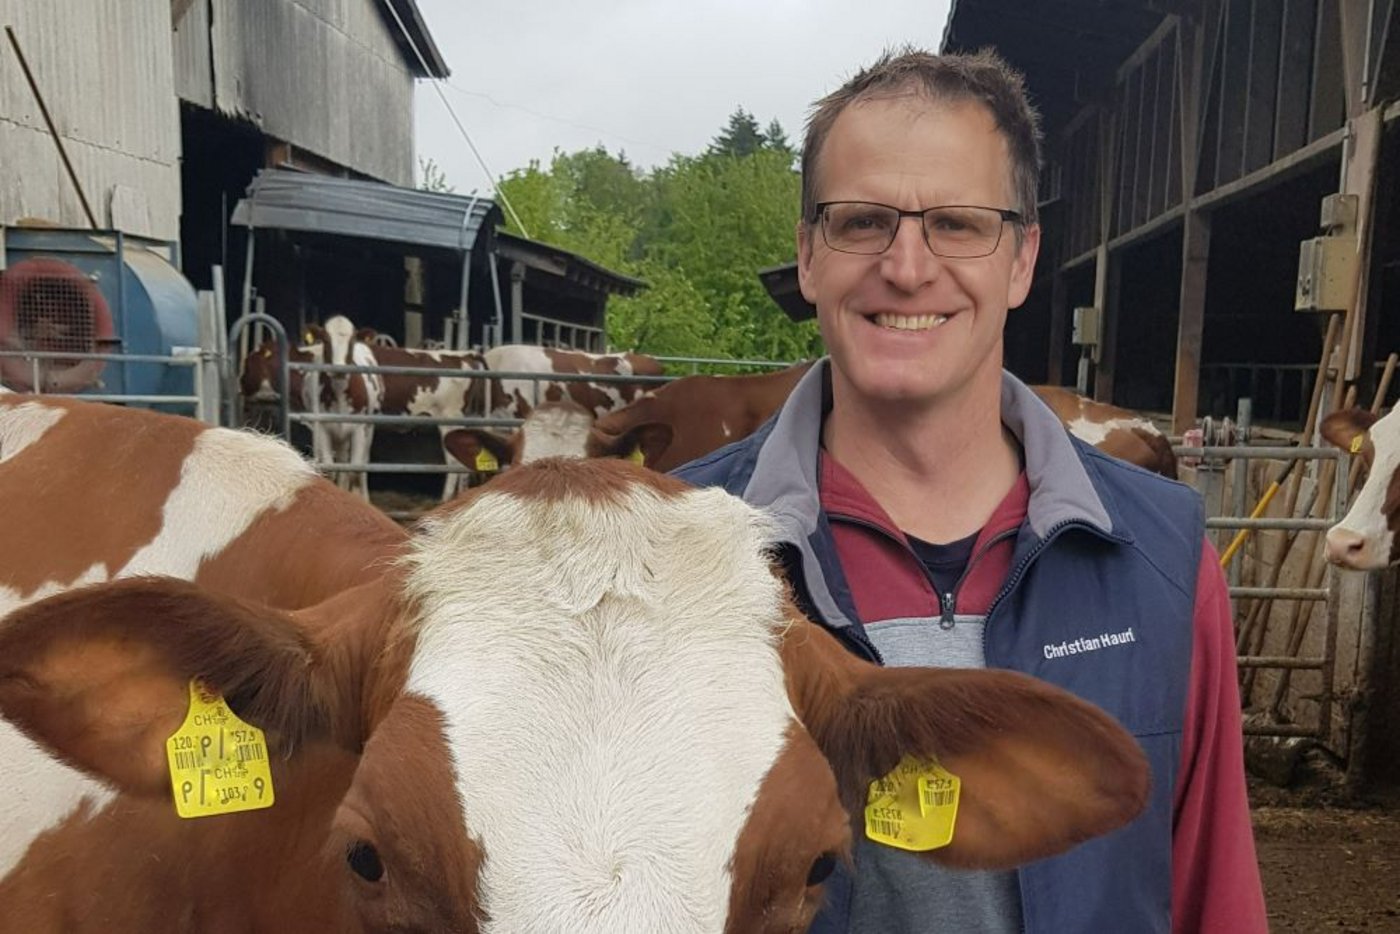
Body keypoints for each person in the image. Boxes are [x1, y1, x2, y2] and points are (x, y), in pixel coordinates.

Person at [675, 47, 1266, 933]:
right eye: (862, 221)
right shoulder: (675, 558)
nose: (908, 268)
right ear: (807, 257)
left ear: (1022, 260)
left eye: (957, 223)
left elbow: (1214, 895)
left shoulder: (1164, 559)